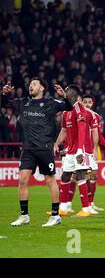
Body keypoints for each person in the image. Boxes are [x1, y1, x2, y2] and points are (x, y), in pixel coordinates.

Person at [1, 78, 72, 227]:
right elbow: (4, 104)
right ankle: (24, 216)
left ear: (42, 88)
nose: (30, 86)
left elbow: (68, 107)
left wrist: (64, 96)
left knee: (49, 180)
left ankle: (55, 215)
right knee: (22, 179)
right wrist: (4, 94)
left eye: (34, 84)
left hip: (45, 147)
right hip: (28, 149)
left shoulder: (51, 103)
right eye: (30, 84)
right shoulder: (23, 103)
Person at [54, 85, 94, 217]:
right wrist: (57, 143)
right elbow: (64, 131)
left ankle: (86, 209)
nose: (64, 93)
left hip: (79, 150)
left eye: (67, 91)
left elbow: (83, 131)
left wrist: (80, 151)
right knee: (65, 176)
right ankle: (63, 208)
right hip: (69, 150)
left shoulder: (79, 109)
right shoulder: (66, 111)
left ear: (73, 94)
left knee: (81, 175)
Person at [82, 94, 105, 211]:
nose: (87, 104)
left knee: (93, 176)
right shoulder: (77, 115)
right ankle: (70, 204)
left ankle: (90, 203)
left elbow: (98, 134)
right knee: (81, 176)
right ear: (81, 103)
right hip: (81, 149)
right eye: (85, 102)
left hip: (92, 150)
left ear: (92, 104)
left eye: (89, 102)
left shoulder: (95, 116)